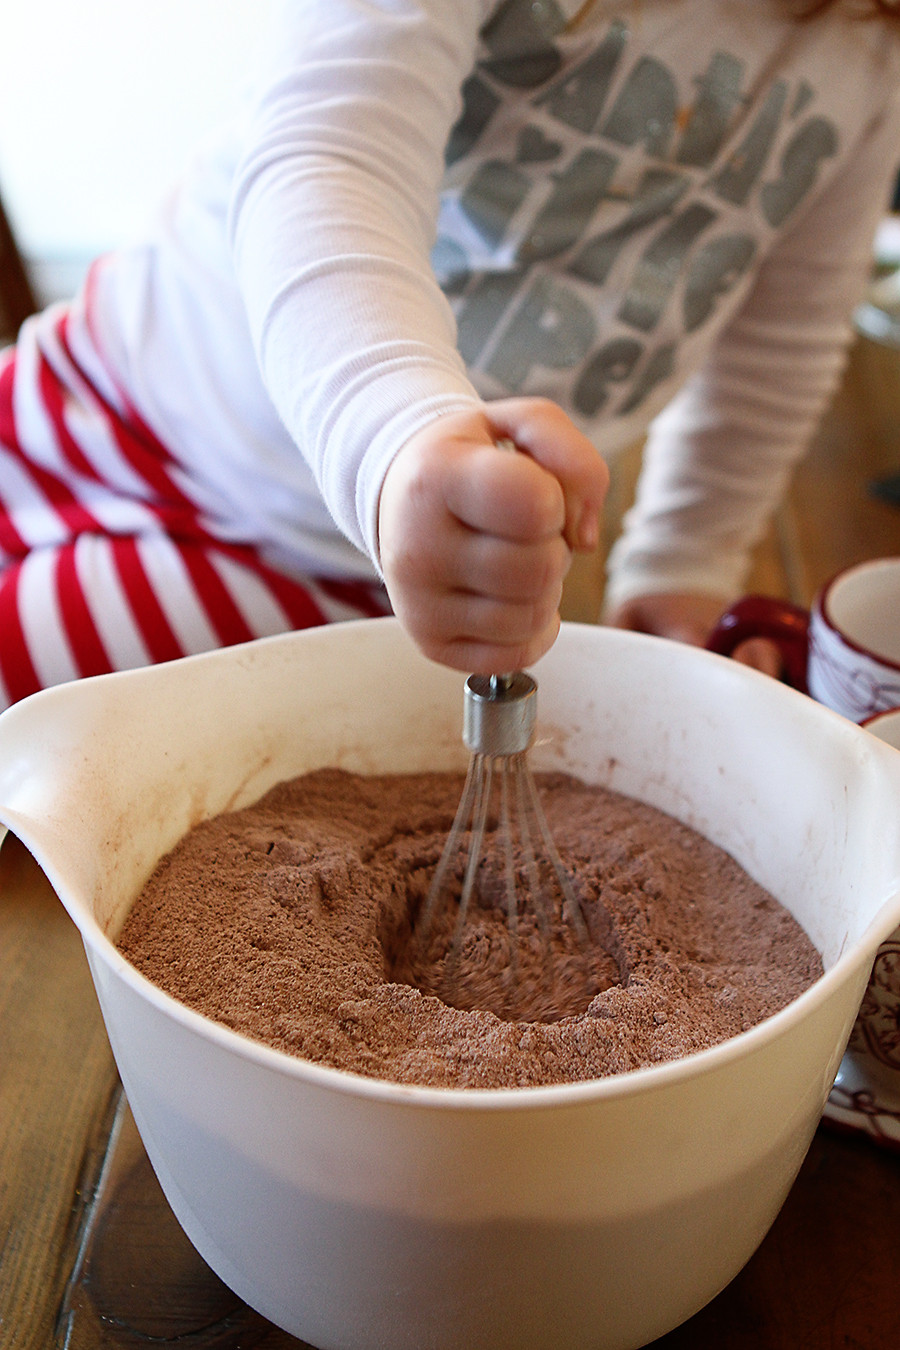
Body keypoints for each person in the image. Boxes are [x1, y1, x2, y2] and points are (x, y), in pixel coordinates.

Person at [2, 0, 900, 709]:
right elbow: (332, 160)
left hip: (330, 569)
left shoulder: (869, 50)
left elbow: (778, 342)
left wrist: (688, 564)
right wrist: (393, 434)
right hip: (109, 377)